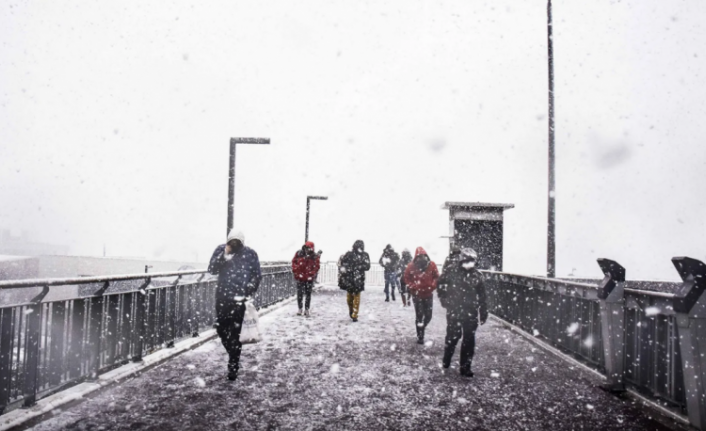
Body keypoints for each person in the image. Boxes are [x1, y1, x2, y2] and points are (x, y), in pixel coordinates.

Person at [207, 229, 262, 381]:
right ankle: (233, 353)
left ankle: (233, 365)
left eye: (237, 242)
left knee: (236, 333)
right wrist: (224, 254)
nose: (234, 245)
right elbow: (212, 269)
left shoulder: (250, 254)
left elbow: (257, 275)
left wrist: (248, 289)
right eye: (232, 242)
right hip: (223, 298)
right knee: (221, 328)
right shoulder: (221, 250)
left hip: (240, 300)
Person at [437, 247, 488, 377]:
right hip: (454, 309)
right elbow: (440, 284)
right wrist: (443, 299)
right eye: (469, 260)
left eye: (473, 260)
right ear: (462, 259)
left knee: (469, 339)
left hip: (471, 311)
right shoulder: (450, 272)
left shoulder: (477, 276)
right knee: (453, 336)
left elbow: (482, 295)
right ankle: (447, 357)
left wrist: (483, 311)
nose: (471, 263)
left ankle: (465, 367)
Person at [403, 247, 439, 344]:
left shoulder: (432, 265)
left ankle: (421, 327)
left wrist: (433, 285)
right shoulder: (411, 266)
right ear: (416, 258)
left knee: (428, 315)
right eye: (419, 257)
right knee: (419, 316)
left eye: (422, 256)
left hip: (428, 294)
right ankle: (420, 336)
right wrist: (413, 286)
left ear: (426, 256)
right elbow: (406, 278)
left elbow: (436, 277)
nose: (421, 259)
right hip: (417, 295)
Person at [338, 240, 371, 322]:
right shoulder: (349, 254)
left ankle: (355, 314)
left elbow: (367, 266)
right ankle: (351, 310)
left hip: (359, 278)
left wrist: (358, 267)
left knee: (356, 296)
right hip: (350, 278)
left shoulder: (365, 255)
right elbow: (342, 263)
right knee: (349, 297)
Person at [291, 241, 322, 317]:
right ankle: (300, 308)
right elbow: (293, 262)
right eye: (306, 248)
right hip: (301, 277)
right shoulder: (299, 253)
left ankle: (306, 309)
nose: (307, 250)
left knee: (308, 294)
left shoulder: (313, 256)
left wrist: (311, 274)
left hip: (308, 278)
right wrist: (297, 272)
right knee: (300, 294)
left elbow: (316, 266)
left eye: (309, 248)